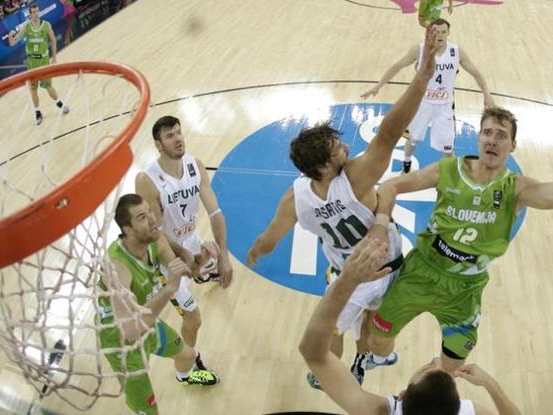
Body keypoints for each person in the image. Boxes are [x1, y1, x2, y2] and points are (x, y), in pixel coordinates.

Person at [247, 26, 444, 389]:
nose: (345, 149)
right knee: (367, 326)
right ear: (323, 166)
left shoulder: (296, 196)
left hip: (351, 274)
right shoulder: (354, 178)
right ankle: (362, 361)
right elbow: (390, 129)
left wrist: (257, 251)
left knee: (332, 327)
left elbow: (272, 236)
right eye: (337, 148)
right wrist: (422, 77)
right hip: (385, 266)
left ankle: (333, 371)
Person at [368, 100, 553, 372]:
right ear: (478, 137)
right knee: (376, 341)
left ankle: (431, 376)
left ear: (512, 145)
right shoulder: (449, 169)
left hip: (464, 291)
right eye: (487, 132)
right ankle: (383, 357)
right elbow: (390, 186)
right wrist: (380, 225)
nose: (493, 140)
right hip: (420, 271)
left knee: (451, 369)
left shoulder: (515, 188)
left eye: (502, 135)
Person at [298, 237, 522, 415]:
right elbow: (314, 355)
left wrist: (345, 280)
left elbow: (313, 352)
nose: (436, 361)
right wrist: (491, 385)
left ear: (402, 395)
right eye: (444, 374)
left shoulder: (379, 410)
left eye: (426, 369)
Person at [98, 194, 218, 414]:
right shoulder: (116, 266)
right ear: (128, 230)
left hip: (146, 321)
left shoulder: (154, 239)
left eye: (150, 211)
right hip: (121, 340)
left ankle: (185, 377)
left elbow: (185, 268)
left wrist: (201, 260)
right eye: (142, 217)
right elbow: (131, 331)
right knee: (150, 411)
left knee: (189, 356)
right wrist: (169, 289)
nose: (153, 220)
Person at [135, 115, 234, 371]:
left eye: (179, 132)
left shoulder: (195, 166)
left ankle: (202, 269)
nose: (178, 138)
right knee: (193, 318)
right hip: (165, 258)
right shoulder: (147, 180)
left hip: (189, 240)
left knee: (212, 252)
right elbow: (154, 233)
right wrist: (184, 258)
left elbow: (215, 213)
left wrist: (224, 255)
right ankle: (186, 370)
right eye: (169, 135)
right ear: (158, 144)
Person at [361, 19, 495, 173]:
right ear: (430, 33)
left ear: (448, 33)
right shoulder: (419, 50)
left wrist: (487, 93)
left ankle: (448, 175)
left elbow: (476, 73)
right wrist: (378, 85)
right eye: (436, 32)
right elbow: (397, 66)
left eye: (443, 32)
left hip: (444, 105)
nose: (440, 35)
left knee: (448, 147)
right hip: (421, 103)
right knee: (413, 139)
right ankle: (406, 160)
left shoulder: (456, 52)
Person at [8, 4, 70, 125]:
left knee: (48, 86)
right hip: (32, 62)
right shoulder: (26, 27)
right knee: (33, 88)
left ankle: (59, 103)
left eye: (37, 11)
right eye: (33, 12)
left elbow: (53, 40)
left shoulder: (46, 25)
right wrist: (10, 37)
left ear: (39, 12)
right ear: (30, 15)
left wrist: (55, 57)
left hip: (44, 60)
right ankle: (37, 112)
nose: (36, 13)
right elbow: (13, 43)